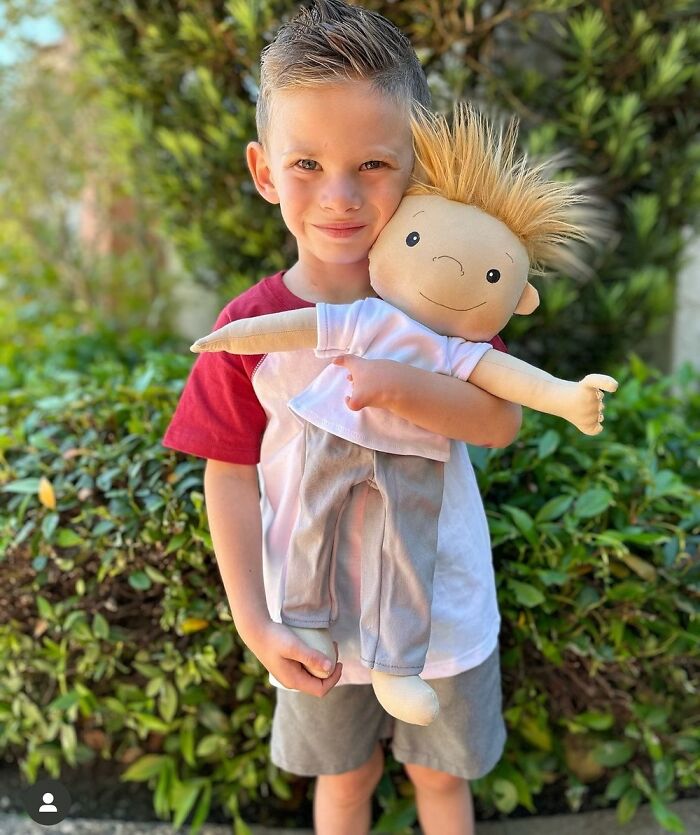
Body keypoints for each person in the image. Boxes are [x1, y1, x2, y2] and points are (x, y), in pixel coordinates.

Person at [163, 2, 522, 833]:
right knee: (345, 780)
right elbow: (231, 473)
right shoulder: (250, 325)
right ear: (262, 172)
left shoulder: (448, 303)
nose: (340, 196)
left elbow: (499, 420)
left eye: (372, 164)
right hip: (309, 618)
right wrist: (253, 622)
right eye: (306, 164)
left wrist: (401, 383)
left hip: (443, 612)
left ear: (416, 166)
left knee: (441, 782)